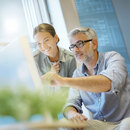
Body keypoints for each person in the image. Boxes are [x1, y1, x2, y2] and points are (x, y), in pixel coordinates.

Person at [41, 27, 130, 130]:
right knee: (65, 124)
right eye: (72, 46)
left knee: (127, 125)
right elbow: (71, 103)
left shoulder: (113, 58)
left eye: (80, 44)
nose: (75, 50)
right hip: (101, 126)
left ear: (94, 44)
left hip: (125, 121)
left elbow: (108, 83)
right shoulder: (77, 74)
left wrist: (63, 81)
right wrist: (72, 115)